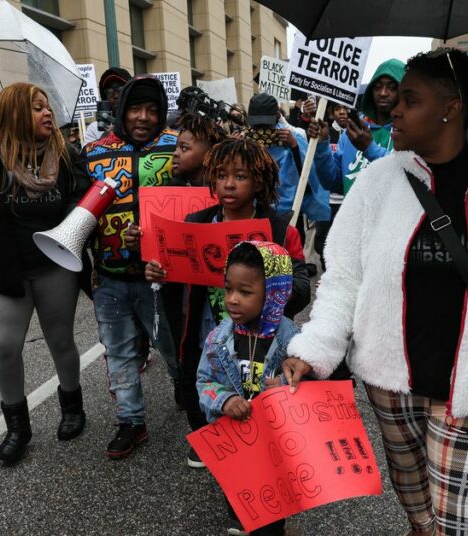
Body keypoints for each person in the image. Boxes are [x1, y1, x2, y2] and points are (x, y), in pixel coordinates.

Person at [279, 49, 468, 535]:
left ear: (451, 106)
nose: (393, 110)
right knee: (416, 501)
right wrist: (315, 349)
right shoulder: (378, 183)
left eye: (410, 99)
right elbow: (343, 277)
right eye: (396, 99)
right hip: (391, 380)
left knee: (460, 523)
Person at [0, 82, 89, 464]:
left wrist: (70, 228)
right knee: (4, 347)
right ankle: (17, 426)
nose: (47, 113)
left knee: (61, 340)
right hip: (4, 265)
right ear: (13, 113)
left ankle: (72, 406)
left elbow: (82, 194)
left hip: (53, 264)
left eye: (47, 107)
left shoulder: (64, 150)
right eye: (37, 107)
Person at [143, 138, 310, 468]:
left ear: (259, 181)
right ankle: (216, 445)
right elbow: (176, 278)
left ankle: (255, 480)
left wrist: (275, 288)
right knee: (208, 393)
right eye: (220, 175)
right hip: (209, 335)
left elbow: (302, 285)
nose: (229, 184)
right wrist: (158, 272)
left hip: (262, 341)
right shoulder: (195, 223)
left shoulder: (279, 229)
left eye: (241, 176)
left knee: (256, 408)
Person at [82, 75, 180, 459]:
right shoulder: (92, 153)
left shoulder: (178, 148)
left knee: (173, 347)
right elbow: (79, 214)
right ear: (121, 111)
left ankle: (186, 392)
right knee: (119, 351)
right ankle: (131, 421)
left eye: (152, 110)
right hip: (110, 276)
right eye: (135, 109)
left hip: (166, 277)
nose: (143, 117)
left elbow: (200, 201)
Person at [196, 241, 299, 536]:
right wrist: (224, 400)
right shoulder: (218, 339)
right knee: (239, 502)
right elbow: (204, 381)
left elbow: (311, 384)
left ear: (273, 294)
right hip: (235, 443)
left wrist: (286, 388)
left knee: (270, 513)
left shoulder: (290, 339)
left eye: (245, 292)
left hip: (274, 444)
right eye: (228, 289)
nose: (233, 300)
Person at [306, 59, 404, 268]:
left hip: (393, 235)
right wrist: (322, 144)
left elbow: (407, 174)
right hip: (355, 234)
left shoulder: (408, 130)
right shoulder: (353, 130)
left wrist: (369, 148)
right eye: (377, 86)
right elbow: (333, 182)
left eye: (391, 87)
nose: (383, 93)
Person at [245, 93, 329, 236]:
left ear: (277, 116)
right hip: (254, 213)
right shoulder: (245, 140)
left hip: (290, 215)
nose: (261, 129)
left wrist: (294, 146)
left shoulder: (294, 137)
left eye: (266, 123)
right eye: (257, 124)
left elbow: (309, 177)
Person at [171, 112, 227, 186]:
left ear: (209, 154)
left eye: (184, 148)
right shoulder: (173, 189)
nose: (175, 153)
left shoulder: (224, 192)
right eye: (176, 147)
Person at [82, 67, 131, 145]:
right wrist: (104, 139)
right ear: (105, 96)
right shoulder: (94, 129)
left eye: (121, 89)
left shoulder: (138, 123)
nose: (116, 95)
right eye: (110, 91)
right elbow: (86, 156)